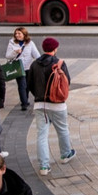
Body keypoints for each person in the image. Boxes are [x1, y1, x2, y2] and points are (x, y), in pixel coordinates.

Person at [27, 37, 75, 174]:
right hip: (58, 104)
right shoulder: (60, 63)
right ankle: (66, 154)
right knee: (62, 130)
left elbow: (29, 84)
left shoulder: (35, 64)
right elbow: (67, 82)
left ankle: (44, 166)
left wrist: (38, 95)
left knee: (41, 135)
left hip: (40, 105)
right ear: (55, 48)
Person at [5, 27, 40, 111]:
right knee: (22, 85)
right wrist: (15, 52)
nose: (17, 35)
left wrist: (41, 62)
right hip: (18, 68)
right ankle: (24, 103)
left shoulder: (30, 43)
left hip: (28, 67)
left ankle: (26, 100)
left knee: (28, 85)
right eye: (16, 33)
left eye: (19, 33)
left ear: (24, 35)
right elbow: (7, 56)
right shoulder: (12, 43)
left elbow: (36, 55)